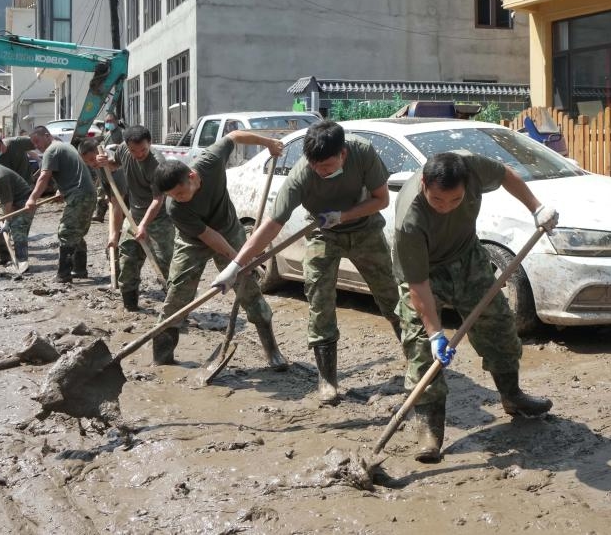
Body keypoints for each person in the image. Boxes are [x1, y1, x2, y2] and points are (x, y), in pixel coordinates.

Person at [215, 120, 402, 405]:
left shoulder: (363, 152)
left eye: (327, 166)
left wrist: (344, 215)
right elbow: (272, 224)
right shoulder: (302, 175)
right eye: (316, 166)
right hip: (322, 231)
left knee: (390, 294)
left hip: (365, 229)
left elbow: (381, 200)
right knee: (319, 297)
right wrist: (235, 266)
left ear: (343, 154)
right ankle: (327, 379)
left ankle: (418, 360)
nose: (321, 171)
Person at [393, 151, 558, 464]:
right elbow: (418, 285)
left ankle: (512, 396)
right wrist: (435, 334)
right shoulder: (409, 220)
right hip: (424, 270)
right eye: (438, 200)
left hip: (467, 256)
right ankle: (430, 429)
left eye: (455, 201)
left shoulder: (473, 169)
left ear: (467, 185)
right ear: (425, 184)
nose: (446, 208)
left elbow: (507, 174)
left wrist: (537, 208)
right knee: (420, 347)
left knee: (498, 323)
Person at [152, 131, 288, 369]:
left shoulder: (210, 161)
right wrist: (237, 261)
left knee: (249, 289)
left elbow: (233, 136)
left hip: (229, 229)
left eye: (180, 193)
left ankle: (272, 351)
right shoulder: (175, 208)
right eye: (172, 196)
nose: (178, 199)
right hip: (193, 241)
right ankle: (162, 358)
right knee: (178, 294)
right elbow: (208, 236)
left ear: (192, 176)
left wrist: (268, 144)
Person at [93, 125, 175, 311]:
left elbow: (158, 199)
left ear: (150, 143)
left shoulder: (157, 164)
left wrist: (144, 226)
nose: (138, 154)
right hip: (133, 216)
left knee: (165, 265)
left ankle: (177, 308)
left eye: (143, 150)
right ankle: (130, 306)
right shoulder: (123, 149)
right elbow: (115, 164)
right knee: (127, 258)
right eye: (134, 150)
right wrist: (105, 162)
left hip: (159, 219)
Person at [25, 125, 96, 283]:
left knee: (67, 232)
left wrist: (32, 198)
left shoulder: (52, 150)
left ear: (47, 136)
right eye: (34, 144)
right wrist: (62, 190)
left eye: (38, 141)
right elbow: (72, 171)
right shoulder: (63, 146)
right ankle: (79, 269)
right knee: (75, 232)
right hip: (84, 193)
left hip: (80, 195)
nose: (37, 146)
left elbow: (44, 177)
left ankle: (64, 275)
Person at [93, 112, 123, 222]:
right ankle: (99, 214)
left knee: (114, 192)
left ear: (116, 121)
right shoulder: (106, 133)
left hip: (115, 165)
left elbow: (126, 146)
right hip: (104, 164)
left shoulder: (121, 132)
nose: (108, 123)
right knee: (101, 189)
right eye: (107, 121)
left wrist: (116, 146)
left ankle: (116, 215)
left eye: (110, 121)